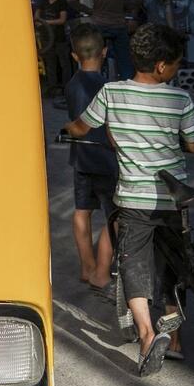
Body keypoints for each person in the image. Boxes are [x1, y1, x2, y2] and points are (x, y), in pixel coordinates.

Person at [65, 23, 194, 375]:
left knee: (134, 262)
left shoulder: (112, 93)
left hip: (133, 198)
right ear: (161, 66)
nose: (176, 69)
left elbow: (83, 127)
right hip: (173, 200)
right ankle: (174, 339)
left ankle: (146, 334)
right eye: (175, 63)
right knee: (174, 266)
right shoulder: (180, 98)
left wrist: (65, 131)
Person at [63, 23, 118, 292]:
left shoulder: (72, 85)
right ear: (104, 52)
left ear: (75, 56)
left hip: (81, 158)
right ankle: (102, 271)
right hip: (106, 161)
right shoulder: (108, 88)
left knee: (82, 211)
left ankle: (86, 266)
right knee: (115, 216)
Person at [66, 0, 144, 79]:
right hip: (118, 26)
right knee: (125, 62)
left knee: (95, 58)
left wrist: (88, 10)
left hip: (99, 25)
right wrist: (126, 6)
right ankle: (127, 84)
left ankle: (95, 83)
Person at [35, 0, 73, 97]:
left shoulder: (61, 3)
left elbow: (62, 20)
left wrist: (46, 22)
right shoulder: (43, 1)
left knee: (64, 63)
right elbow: (37, 17)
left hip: (59, 39)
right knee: (50, 64)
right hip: (46, 40)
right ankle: (52, 87)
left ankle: (67, 87)